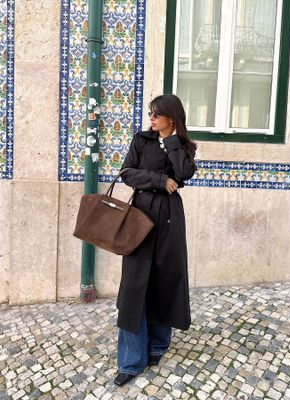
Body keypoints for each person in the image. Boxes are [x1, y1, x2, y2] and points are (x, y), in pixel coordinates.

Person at [114, 94, 197, 386]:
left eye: (156, 114)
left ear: (171, 118)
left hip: (170, 219)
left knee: (165, 280)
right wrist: (160, 181)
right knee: (134, 286)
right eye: (150, 113)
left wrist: (171, 140)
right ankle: (130, 360)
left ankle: (158, 345)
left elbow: (185, 174)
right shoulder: (141, 140)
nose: (150, 118)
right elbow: (126, 173)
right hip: (140, 216)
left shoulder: (184, 146)